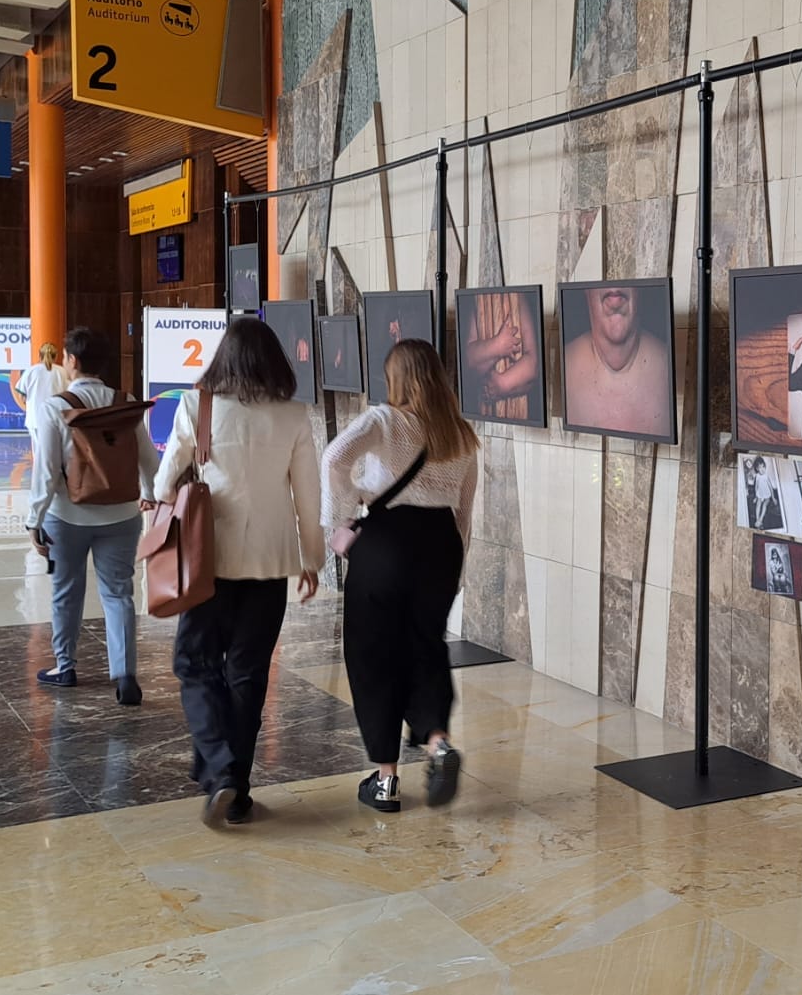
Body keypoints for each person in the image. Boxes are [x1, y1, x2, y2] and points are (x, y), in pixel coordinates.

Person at [155, 317, 324, 829]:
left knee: (195, 665)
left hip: (209, 563)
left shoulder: (197, 406)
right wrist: (311, 560)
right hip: (270, 564)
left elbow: (165, 487)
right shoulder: (295, 416)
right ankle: (239, 789)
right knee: (247, 675)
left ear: (222, 359)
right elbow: (307, 496)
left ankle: (222, 770)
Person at [323, 339, 479, 814]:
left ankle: (386, 780)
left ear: (397, 379)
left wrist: (343, 516)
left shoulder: (385, 420)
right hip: (440, 547)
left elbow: (333, 458)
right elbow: (464, 510)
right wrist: (457, 565)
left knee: (373, 657)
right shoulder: (461, 433)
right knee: (426, 648)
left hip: (386, 543)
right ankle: (437, 744)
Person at [26, 326, 157, 704]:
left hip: (67, 517)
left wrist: (34, 519)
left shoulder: (56, 407)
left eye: (66, 357)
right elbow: (148, 457)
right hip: (121, 516)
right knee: (119, 594)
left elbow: (47, 472)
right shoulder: (125, 401)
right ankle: (126, 674)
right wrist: (148, 494)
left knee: (65, 591)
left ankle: (65, 666)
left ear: (73, 361)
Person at [562, 284, 671, 437]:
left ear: (639, 290)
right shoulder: (557, 368)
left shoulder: (675, 368)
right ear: (586, 291)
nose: (613, 285)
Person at [18, 342, 72, 437]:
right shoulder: (62, 371)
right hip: (57, 418)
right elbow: (69, 394)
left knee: (38, 450)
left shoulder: (30, 371)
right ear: (56, 356)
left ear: (39, 355)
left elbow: (22, 396)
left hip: (34, 419)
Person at [743, 456, 783, 531]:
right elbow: (756, 486)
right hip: (760, 493)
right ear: (757, 469)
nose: (762, 469)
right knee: (758, 505)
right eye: (760, 468)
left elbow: (771, 487)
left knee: (764, 505)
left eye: (763, 467)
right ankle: (757, 520)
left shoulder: (766, 476)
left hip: (767, 494)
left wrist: (773, 498)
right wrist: (755, 496)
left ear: (765, 466)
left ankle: (760, 519)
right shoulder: (757, 476)